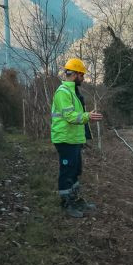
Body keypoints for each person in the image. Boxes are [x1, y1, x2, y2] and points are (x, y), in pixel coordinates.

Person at [52, 57, 103, 218]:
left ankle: (75, 199)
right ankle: (66, 204)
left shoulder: (72, 92)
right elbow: (70, 116)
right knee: (67, 172)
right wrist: (88, 116)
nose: (83, 78)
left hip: (73, 139)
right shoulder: (63, 93)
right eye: (82, 75)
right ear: (75, 75)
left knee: (75, 170)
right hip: (65, 139)